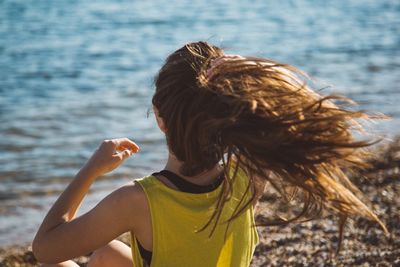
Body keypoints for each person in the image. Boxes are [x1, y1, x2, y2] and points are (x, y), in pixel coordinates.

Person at [32, 41, 388, 267]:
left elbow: (44, 247)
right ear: (232, 112)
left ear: (159, 115)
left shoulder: (137, 201)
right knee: (106, 254)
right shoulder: (248, 174)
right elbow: (303, 104)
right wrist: (244, 67)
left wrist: (92, 170)